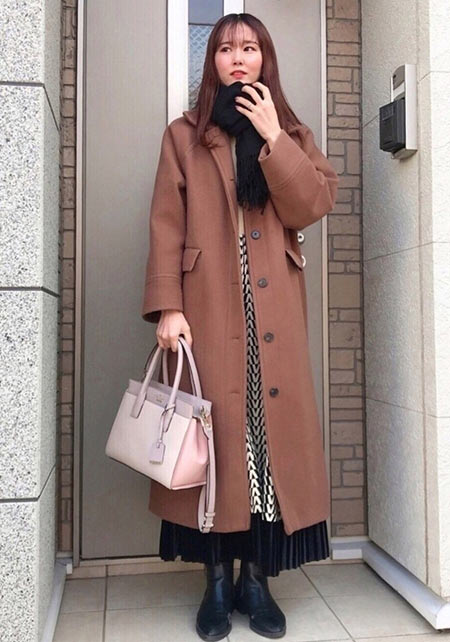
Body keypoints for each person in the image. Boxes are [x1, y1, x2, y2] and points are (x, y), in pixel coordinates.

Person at [141, 12, 339, 642]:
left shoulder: (292, 132)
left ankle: (257, 580)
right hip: (205, 312)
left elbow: (313, 203)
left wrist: (273, 136)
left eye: (249, 48)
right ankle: (216, 585)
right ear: (213, 63)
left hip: (272, 317)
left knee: (264, 445)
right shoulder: (185, 134)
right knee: (215, 447)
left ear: (264, 59)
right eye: (225, 48)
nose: (237, 58)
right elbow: (166, 221)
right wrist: (168, 305)